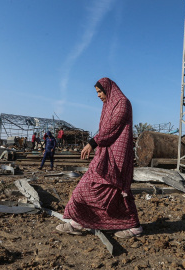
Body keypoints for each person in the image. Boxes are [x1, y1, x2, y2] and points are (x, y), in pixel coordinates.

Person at [56, 77, 142, 239]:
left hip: (117, 157)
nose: (98, 95)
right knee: (91, 187)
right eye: (96, 92)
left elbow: (113, 126)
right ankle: (78, 222)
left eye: (100, 91)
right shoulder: (108, 105)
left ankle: (134, 227)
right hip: (105, 155)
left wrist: (92, 142)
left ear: (109, 89)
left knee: (116, 191)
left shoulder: (122, 103)